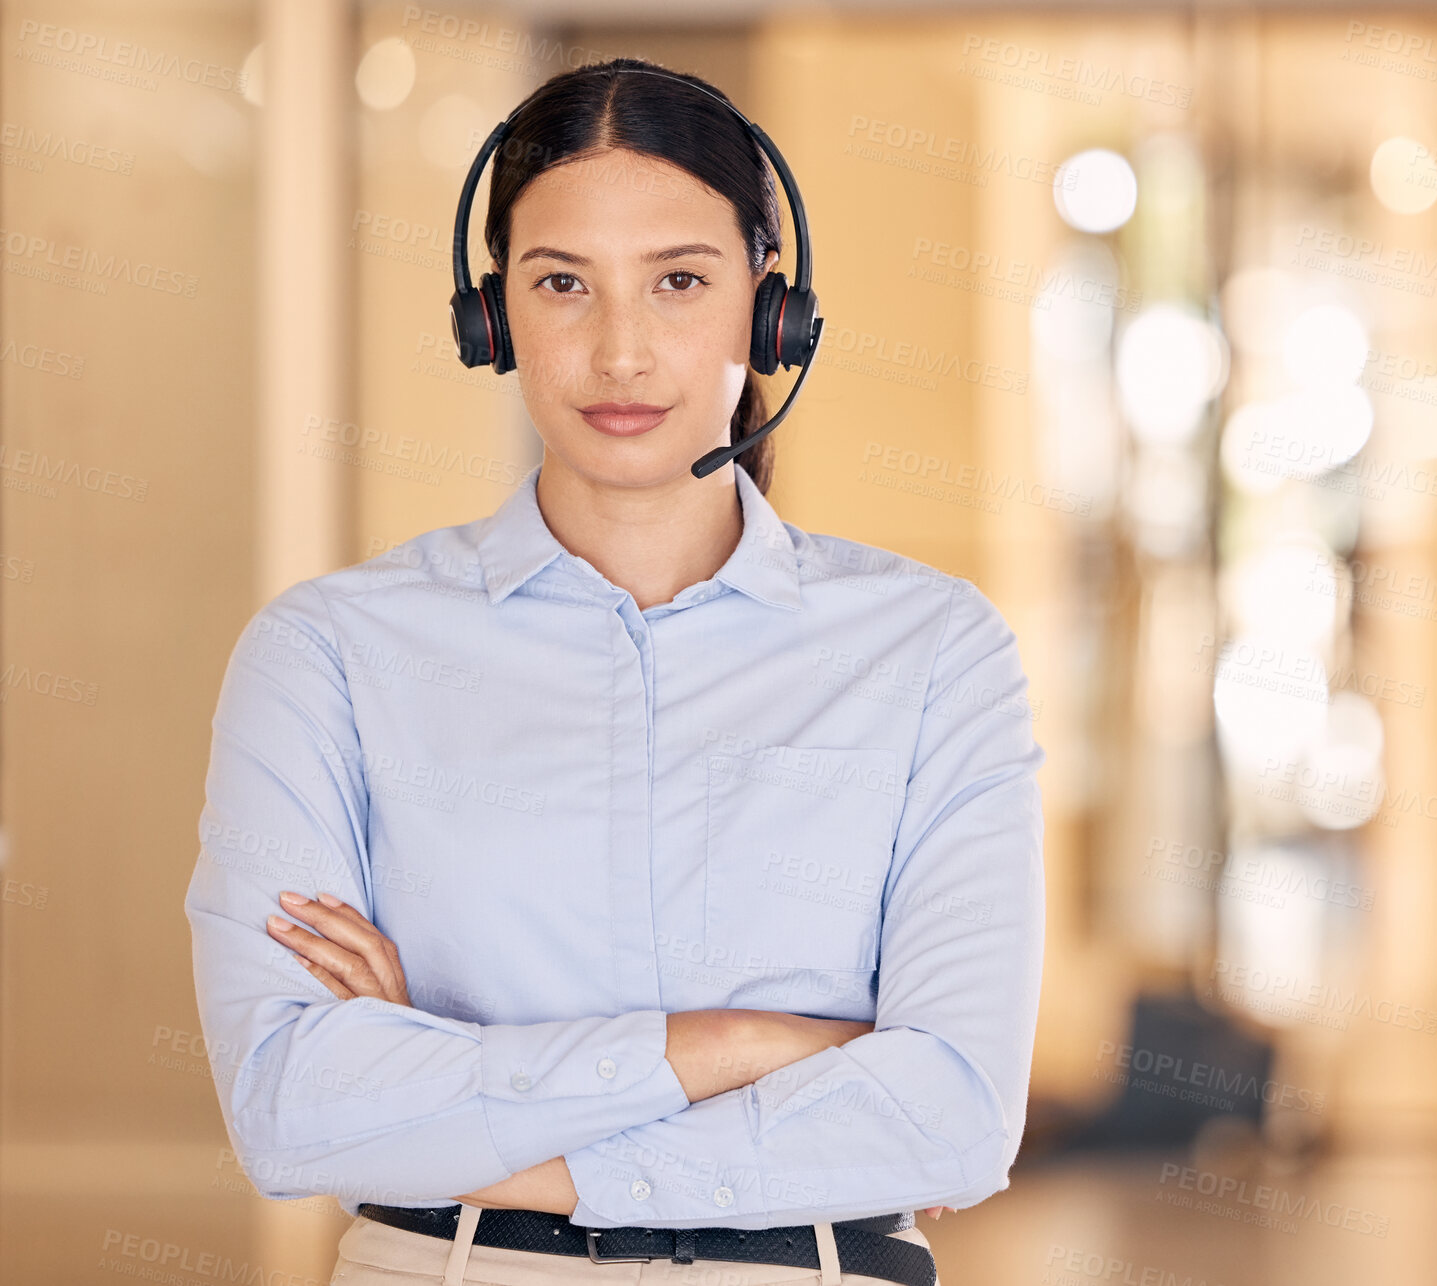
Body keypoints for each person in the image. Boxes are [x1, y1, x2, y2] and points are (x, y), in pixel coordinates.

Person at [184, 57, 1046, 1286]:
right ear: (492, 319)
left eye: (681, 281)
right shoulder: (331, 653)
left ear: (770, 305)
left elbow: (953, 1113)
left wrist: (449, 1096)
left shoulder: (931, 650)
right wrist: (747, 1042)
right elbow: (289, 1107)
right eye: (562, 285)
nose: (622, 350)